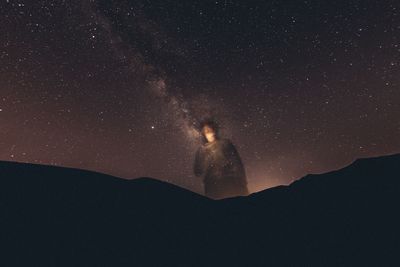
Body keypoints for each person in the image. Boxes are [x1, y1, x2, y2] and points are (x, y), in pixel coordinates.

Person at [193, 118, 250, 199]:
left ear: (216, 130)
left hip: (230, 182)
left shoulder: (225, 143)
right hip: (213, 186)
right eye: (208, 131)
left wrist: (243, 181)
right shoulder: (201, 150)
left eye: (212, 129)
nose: (211, 133)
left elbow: (237, 162)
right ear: (203, 134)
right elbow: (197, 171)